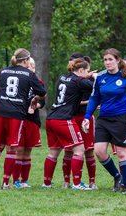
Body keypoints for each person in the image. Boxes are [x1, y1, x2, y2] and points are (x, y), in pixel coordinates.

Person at [0, 48, 46, 189]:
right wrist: (35, 98)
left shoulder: (4, 71)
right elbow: (42, 92)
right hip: (16, 113)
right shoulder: (29, 74)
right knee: (12, 147)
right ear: (25, 61)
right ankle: (6, 183)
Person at [82, 48, 126, 193]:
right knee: (99, 151)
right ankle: (117, 176)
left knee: (121, 152)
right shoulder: (100, 77)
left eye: (110, 59)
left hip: (122, 118)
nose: (107, 62)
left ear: (118, 60)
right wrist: (87, 117)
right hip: (104, 118)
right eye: (105, 60)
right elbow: (94, 98)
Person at [43, 58, 94, 190]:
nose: (88, 73)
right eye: (87, 70)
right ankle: (77, 184)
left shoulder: (63, 77)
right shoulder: (79, 81)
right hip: (63, 119)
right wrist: (94, 76)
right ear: (81, 70)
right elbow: (94, 86)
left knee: (53, 152)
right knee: (79, 150)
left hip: (51, 117)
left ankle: (46, 183)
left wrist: (86, 76)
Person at [61, 53, 98, 190]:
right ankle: (68, 181)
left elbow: (95, 94)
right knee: (70, 150)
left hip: (85, 117)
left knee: (88, 150)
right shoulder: (71, 80)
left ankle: (91, 181)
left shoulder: (86, 80)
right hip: (71, 117)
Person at [12, 57, 46, 188]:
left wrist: (36, 105)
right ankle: (15, 180)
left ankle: (24, 180)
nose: (31, 68)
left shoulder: (39, 82)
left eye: (33, 65)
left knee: (28, 151)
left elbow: (42, 100)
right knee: (19, 150)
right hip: (20, 118)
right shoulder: (20, 81)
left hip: (33, 120)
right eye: (29, 65)